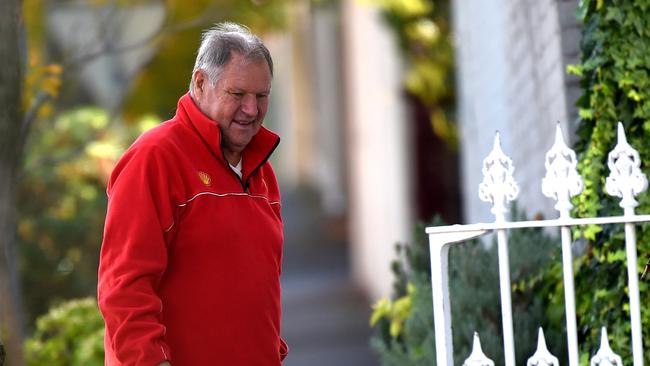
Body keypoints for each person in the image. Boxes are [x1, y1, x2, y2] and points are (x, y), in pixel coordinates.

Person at [97, 22, 288, 365]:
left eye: (261, 96)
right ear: (201, 83)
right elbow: (123, 286)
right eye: (237, 94)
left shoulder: (262, 172)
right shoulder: (155, 158)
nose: (251, 109)